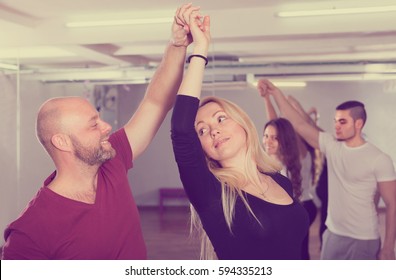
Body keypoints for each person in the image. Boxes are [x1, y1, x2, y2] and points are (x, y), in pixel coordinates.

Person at [1, 3, 197, 260]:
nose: (106, 127)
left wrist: (177, 44)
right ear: (62, 141)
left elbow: (156, 102)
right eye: (93, 124)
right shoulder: (30, 232)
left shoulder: (112, 162)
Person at [170, 7, 309, 260]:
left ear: (243, 125)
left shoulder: (280, 181)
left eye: (220, 118)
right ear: (202, 146)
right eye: (202, 130)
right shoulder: (211, 192)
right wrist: (200, 49)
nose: (213, 130)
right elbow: (180, 128)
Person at [258, 79, 396, 260]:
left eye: (342, 122)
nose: (336, 126)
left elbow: (392, 204)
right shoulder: (332, 146)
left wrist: (387, 247)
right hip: (333, 234)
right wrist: (275, 93)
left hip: (364, 237)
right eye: (335, 121)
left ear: (358, 124)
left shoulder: (380, 159)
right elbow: (299, 124)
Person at [257, 86, 318, 259]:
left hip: (303, 207)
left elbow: (279, 124)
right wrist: (266, 99)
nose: (269, 141)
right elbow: (273, 124)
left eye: (275, 138)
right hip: (291, 208)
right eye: (266, 136)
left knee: (297, 252)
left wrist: (284, 101)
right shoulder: (273, 155)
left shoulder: (299, 152)